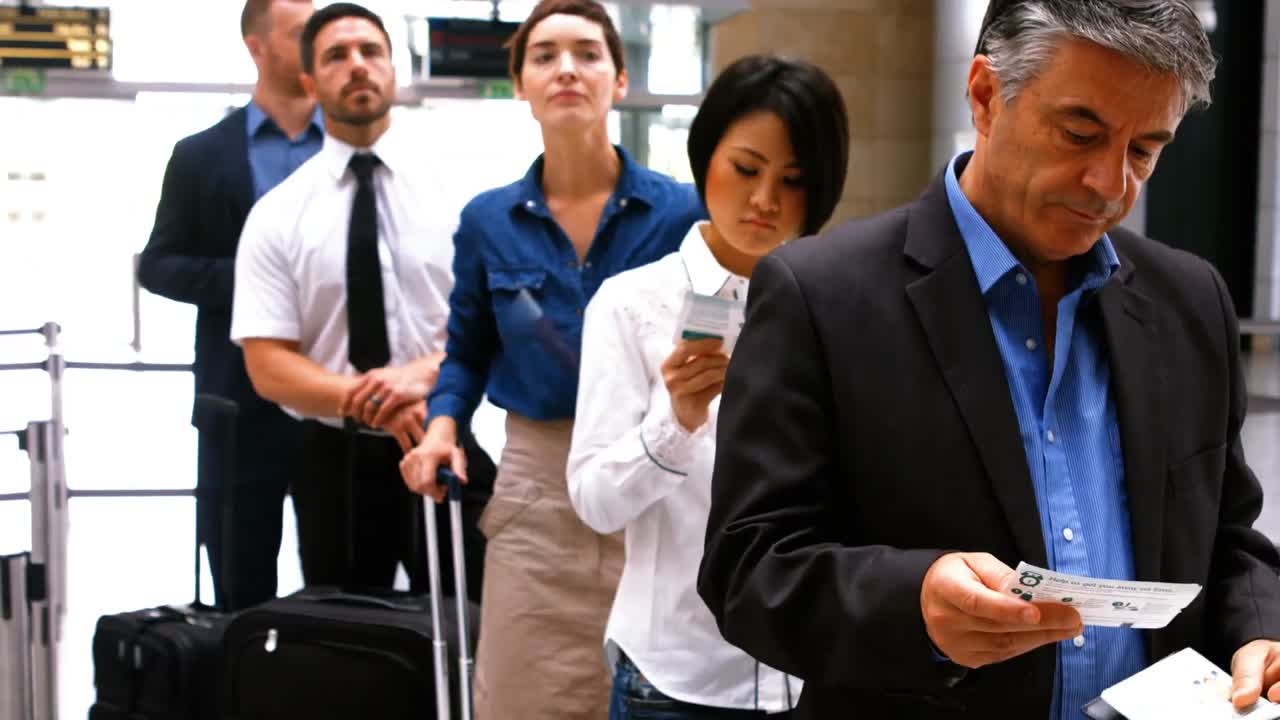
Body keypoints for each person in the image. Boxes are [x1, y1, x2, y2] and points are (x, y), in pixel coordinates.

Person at [696, 1, 1280, 718]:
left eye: (1143, 151)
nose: (1110, 184)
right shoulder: (822, 297)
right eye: (1080, 133)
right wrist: (914, 604)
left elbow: (1229, 537)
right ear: (984, 95)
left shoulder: (1190, 300)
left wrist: (1261, 632)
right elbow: (747, 568)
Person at [398, 0, 705, 716]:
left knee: (653, 694)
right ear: (521, 87)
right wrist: (444, 425)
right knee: (519, 696)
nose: (566, 68)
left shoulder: (681, 213)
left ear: (619, 80)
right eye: (544, 56)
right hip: (539, 487)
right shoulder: (487, 220)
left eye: (587, 53)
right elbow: (467, 351)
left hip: (657, 478)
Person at [567, 54, 849, 720]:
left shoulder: (845, 303)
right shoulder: (632, 304)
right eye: (746, 169)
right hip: (675, 678)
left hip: (814, 673)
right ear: (705, 157)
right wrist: (675, 423)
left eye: (794, 180)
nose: (764, 201)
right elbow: (594, 502)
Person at [230, 2, 494, 598]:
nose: (357, 66)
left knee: (476, 632)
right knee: (348, 653)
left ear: (392, 70)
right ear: (308, 80)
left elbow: (492, 320)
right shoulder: (276, 215)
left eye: (370, 52)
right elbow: (267, 364)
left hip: (445, 434)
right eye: (335, 56)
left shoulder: (459, 195)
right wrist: (373, 401)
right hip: (333, 460)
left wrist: (421, 380)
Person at [137, 0, 320, 612]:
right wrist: (253, 282)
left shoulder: (360, 153)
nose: (319, 45)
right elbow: (158, 263)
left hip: (340, 405)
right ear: (257, 46)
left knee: (347, 593)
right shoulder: (200, 155)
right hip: (238, 408)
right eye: (302, 34)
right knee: (239, 597)